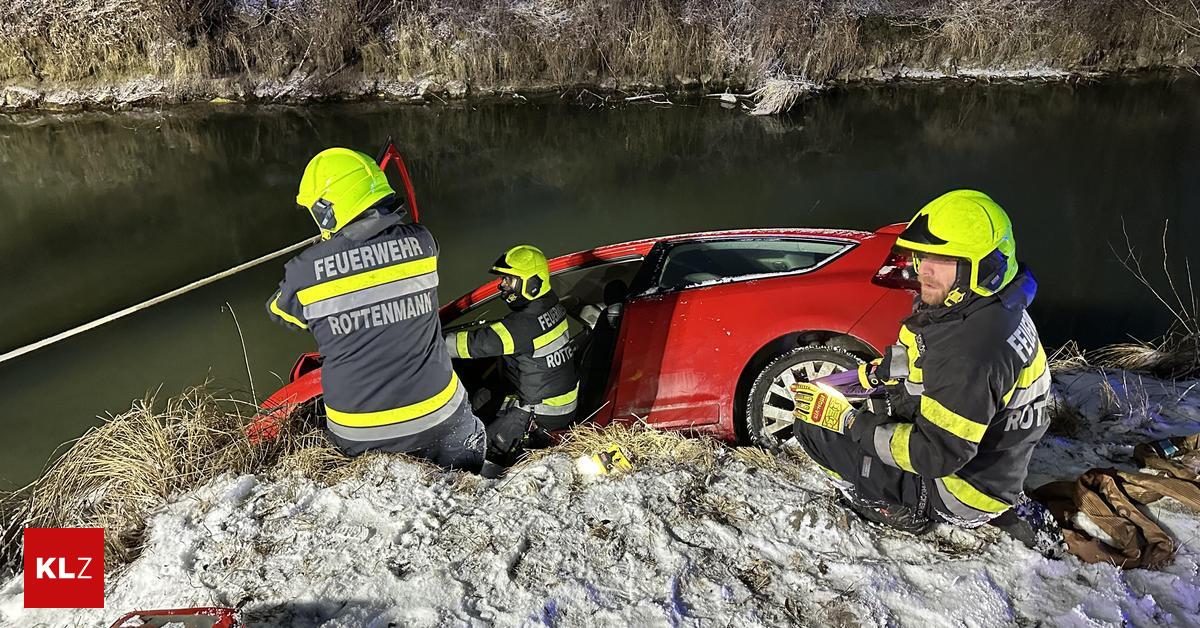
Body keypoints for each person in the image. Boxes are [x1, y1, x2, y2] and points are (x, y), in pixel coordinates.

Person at [789, 189, 1062, 553]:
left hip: (959, 490)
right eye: (924, 255)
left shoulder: (969, 352)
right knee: (879, 411)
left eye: (944, 259)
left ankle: (895, 508)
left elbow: (935, 456)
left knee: (813, 430)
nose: (924, 270)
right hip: (998, 466)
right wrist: (866, 379)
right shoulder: (991, 308)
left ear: (983, 266)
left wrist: (849, 422)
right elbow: (925, 360)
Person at [266, 147, 485, 472]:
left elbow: (279, 311)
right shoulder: (424, 243)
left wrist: (322, 255)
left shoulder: (303, 272)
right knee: (471, 440)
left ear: (326, 211)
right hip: (441, 419)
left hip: (360, 434)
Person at [444, 245, 580, 460]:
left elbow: (474, 344)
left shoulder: (523, 325)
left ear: (532, 283)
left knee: (474, 452)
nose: (502, 285)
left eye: (509, 280)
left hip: (542, 412)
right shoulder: (550, 302)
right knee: (480, 399)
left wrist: (430, 343)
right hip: (555, 399)